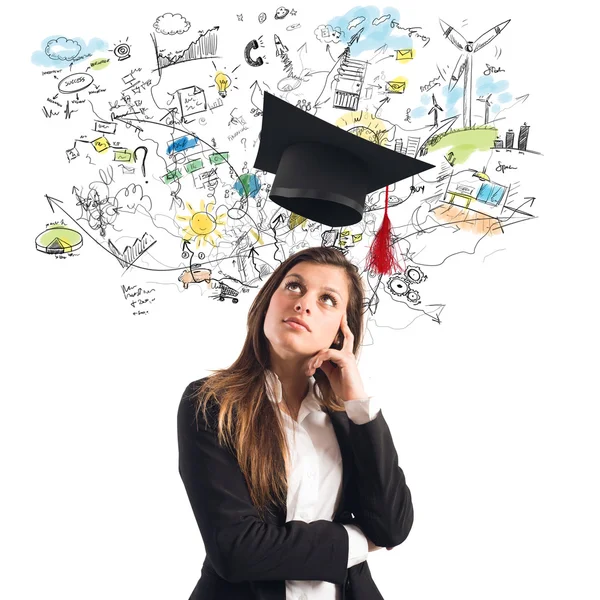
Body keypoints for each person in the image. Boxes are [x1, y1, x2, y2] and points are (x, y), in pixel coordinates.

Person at [177, 246, 414, 600]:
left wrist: (357, 401)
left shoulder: (349, 419)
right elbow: (236, 550)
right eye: (294, 287)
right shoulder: (213, 403)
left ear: (340, 333)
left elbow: (392, 526)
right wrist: (358, 541)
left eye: (328, 300)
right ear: (268, 302)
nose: (304, 303)